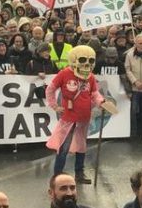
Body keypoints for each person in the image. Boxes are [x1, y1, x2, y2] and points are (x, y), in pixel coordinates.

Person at [46, 45, 108, 184]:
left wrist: (101, 102)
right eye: (82, 60)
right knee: (64, 147)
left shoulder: (90, 77)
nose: (87, 64)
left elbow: (94, 93)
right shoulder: (64, 73)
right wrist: (54, 106)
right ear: (74, 60)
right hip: (68, 118)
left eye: (91, 61)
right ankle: (57, 176)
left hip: (84, 117)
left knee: (81, 146)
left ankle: (79, 174)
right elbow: (50, 89)